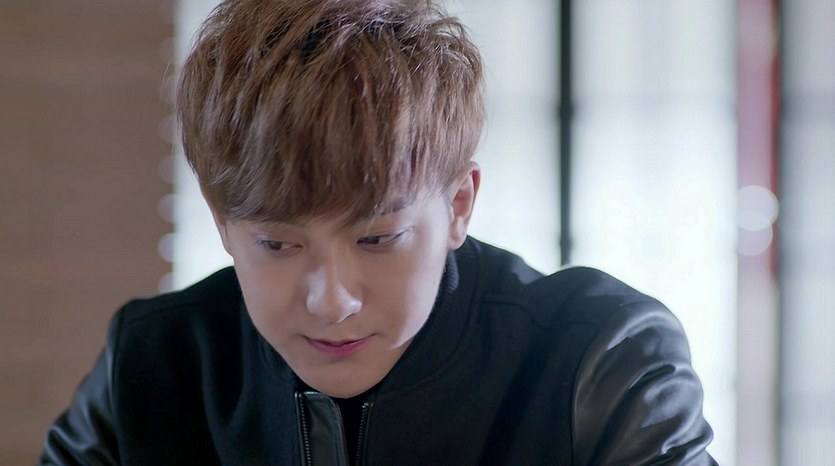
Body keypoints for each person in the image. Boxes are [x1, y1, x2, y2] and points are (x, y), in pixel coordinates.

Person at [41, 0, 717, 464]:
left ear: (459, 205)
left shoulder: (599, 360)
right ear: (222, 226)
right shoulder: (152, 365)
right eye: (276, 244)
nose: (331, 300)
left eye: (376, 238)